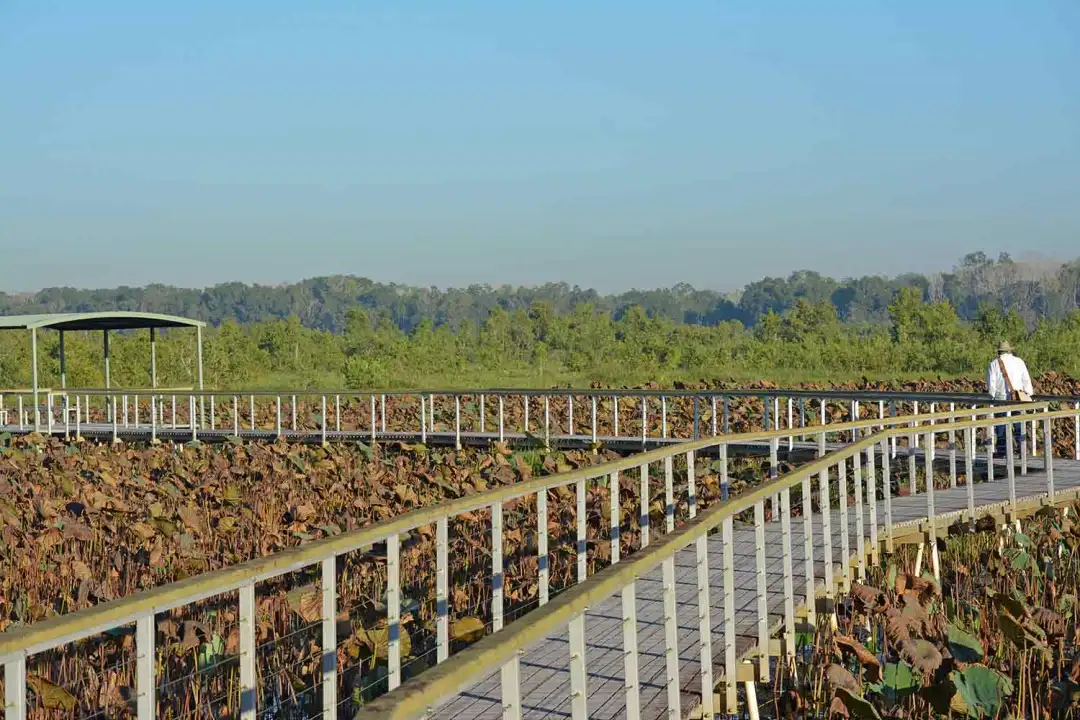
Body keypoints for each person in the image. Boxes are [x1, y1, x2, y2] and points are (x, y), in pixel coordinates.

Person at [986, 340, 1033, 458]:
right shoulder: (1019, 361)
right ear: (1009, 350)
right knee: (1019, 424)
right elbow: (1026, 380)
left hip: (1001, 398)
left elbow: (991, 384)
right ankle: (1022, 449)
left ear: (999, 351)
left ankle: (1002, 451)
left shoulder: (995, 363)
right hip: (1018, 397)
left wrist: (991, 399)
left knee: (1001, 424)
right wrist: (1029, 396)